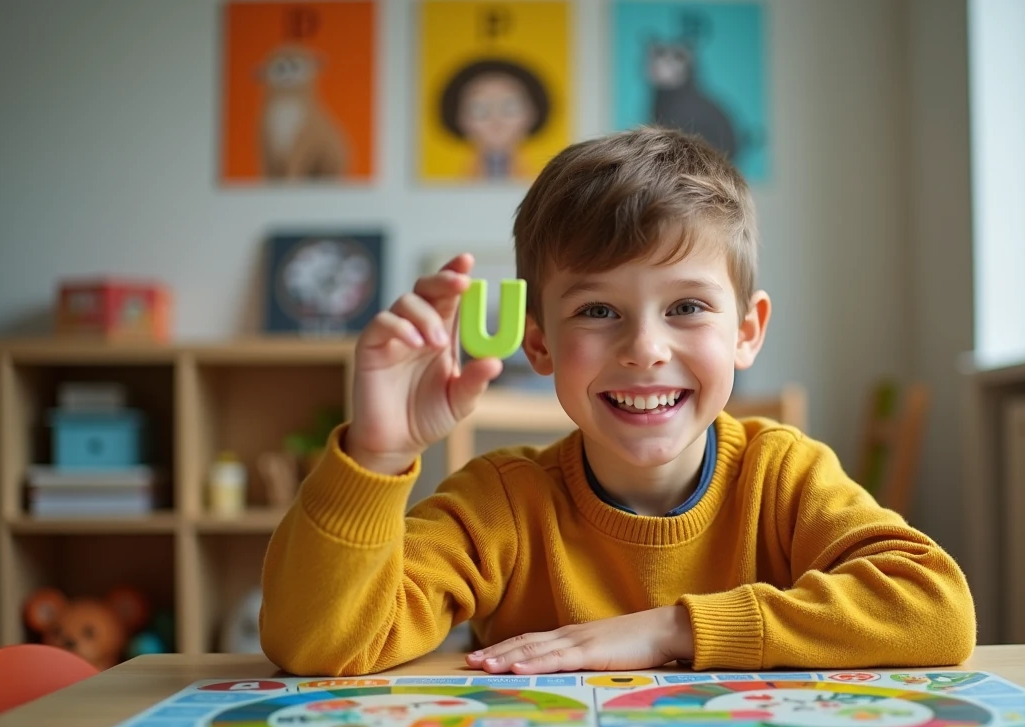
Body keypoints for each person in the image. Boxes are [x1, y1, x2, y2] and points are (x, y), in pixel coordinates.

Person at [259, 126, 976, 677]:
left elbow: (937, 609)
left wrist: (669, 629)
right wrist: (377, 455)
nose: (645, 349)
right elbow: (322, 648)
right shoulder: (499, 505)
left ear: (747, 331)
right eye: (598, 311)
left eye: (688, 306)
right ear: (538, 345)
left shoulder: (781, 475)